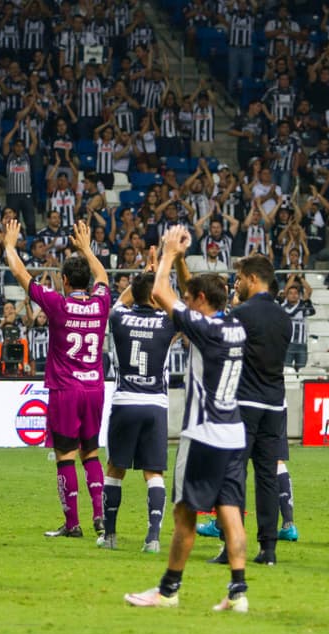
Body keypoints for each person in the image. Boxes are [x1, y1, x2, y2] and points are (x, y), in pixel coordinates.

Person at [125, 225, 252, 612]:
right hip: (234, 432)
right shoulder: (233, 326)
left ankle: (167, 590)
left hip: (204, 433)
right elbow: (188, 296)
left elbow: (162, 294)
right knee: (230, 510)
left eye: (192, 299)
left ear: (200, 300)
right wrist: (181, 262)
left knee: (185, 514)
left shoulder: (205, 328)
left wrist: (166, 253)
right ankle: (238, 591)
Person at [5, 220, 111, 539]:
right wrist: (87, 249)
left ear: (64, 280)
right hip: (94, 388)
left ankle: (72, 524)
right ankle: (100, 517)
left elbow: (22, 276)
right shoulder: (100, 302)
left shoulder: (58, 304)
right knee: (91, 453)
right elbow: (104, 277)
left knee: (65, 455)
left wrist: (10, 245)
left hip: (66, 389)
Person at [216, 253, 291, 565]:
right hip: (275, 404)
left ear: (253, 279)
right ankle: (268, 549)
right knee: (267, 476)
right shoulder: (284, 318)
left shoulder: (241, 314)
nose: (238, 284)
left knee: (233, 474)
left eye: (241, 279)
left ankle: (231, 546)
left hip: (245, 402)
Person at [99, 268, 175, 552]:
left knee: (115, 469)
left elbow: (122, 298)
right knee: (154, 472)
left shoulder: (118, 316)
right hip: (155, 404)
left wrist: (143, 277)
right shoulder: (168, 322)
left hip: (125, 402)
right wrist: (160, 282)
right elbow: (175, 305)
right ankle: (153, 538)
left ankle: (109, 536)